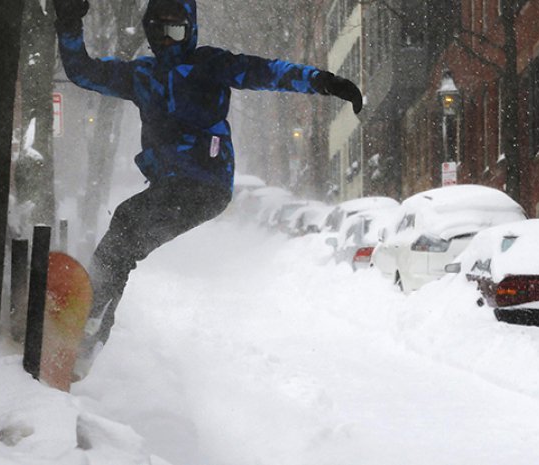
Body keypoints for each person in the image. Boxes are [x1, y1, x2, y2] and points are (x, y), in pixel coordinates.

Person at [52, 0, 363, 378]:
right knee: (124, 237)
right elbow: (82, 72)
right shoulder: (141, 75)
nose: (168, 41)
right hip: (171, 185)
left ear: (191, 31)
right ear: (149, 31)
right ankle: (88, 325)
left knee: (127, 224)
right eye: (159, 32)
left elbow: (269, 72)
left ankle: (88, 329)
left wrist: (326, 82)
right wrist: (69, 23)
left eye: (177, 32)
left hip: (206, 183)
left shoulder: (209, 65)